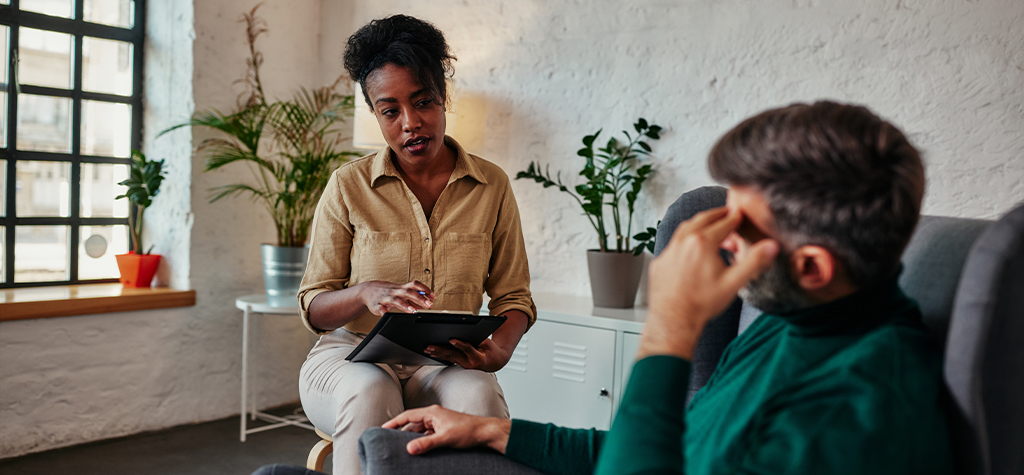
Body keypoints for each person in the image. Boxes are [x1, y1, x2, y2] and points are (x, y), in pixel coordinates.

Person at [368, 101, 953, 475]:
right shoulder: (795, 317)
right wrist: (495, 429)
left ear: (814, 267)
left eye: (741, 228)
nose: (719, 242)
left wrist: (671, 329)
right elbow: (678, 453)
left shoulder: (858, 413)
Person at [295, 14, 536, 475]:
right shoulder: (348, 185)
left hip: (443, 361)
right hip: (348, 356)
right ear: (376, 114)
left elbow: (514, 297)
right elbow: (313, 305)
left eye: (423, 101)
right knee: (371, 390)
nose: (410, 123)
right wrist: (365, 293)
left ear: (444, 98)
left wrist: (499, 350)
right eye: (390, 110)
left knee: (479, 394)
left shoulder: (492, 185)